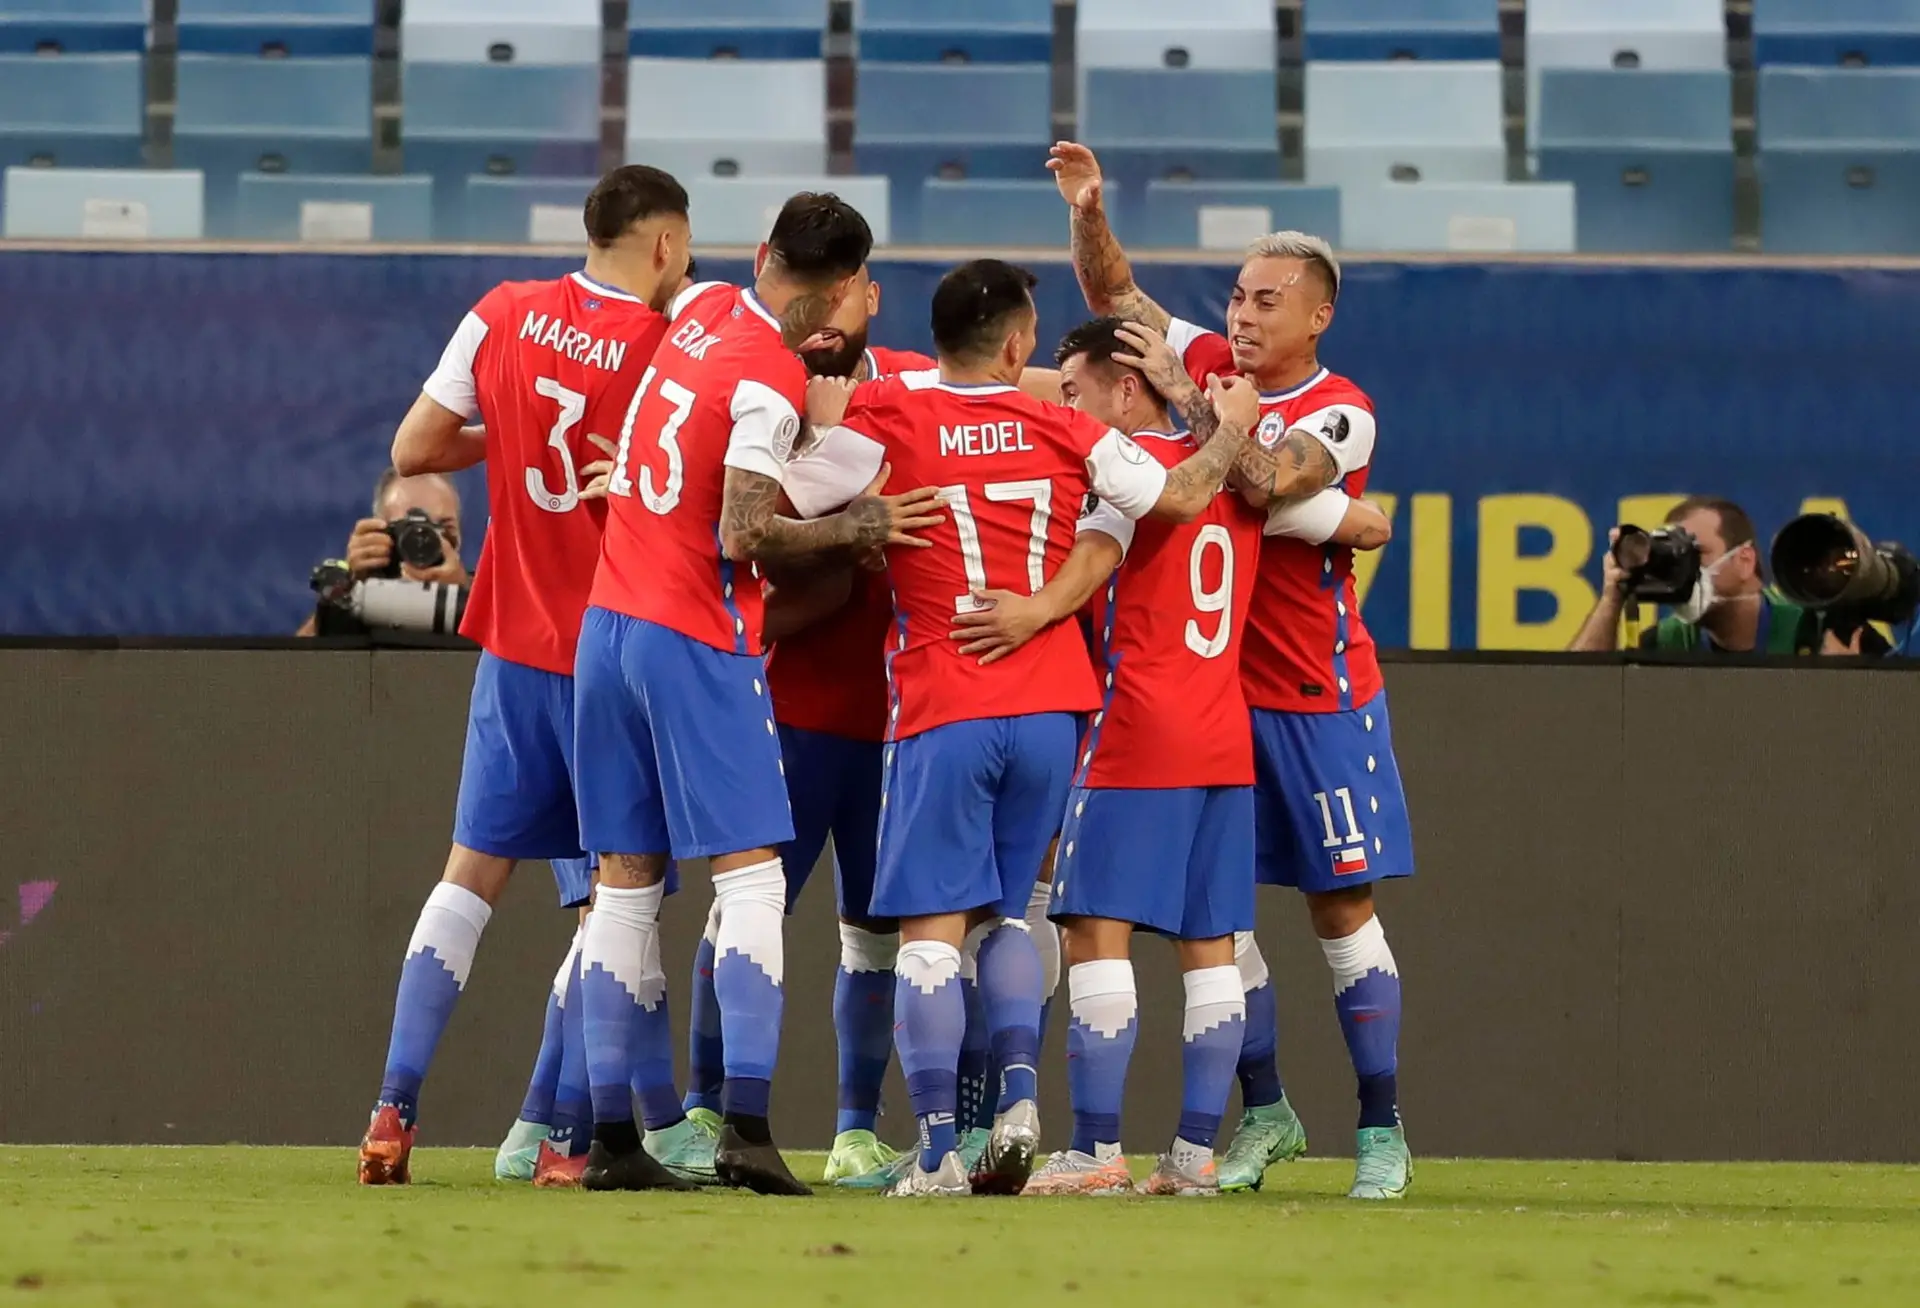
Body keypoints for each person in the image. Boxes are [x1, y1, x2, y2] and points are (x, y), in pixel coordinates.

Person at [780, 258, 1261, 1197]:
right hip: (1051, 710)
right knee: (1007, 914)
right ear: (1015, 344)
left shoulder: (889, 418)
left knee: (928, 931)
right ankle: (1017, 1105)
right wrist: (1230, 431)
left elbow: (789, 500)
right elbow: (1175, 496)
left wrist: (821, 428)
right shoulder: (1065, 424)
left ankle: (935, 1153)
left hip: (943, 701)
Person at [1052, 140, 1416, 1201]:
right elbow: (1116, 295)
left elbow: (1259, 481)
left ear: (1317, 317)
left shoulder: (1340, 410)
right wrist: (1088, 209)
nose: (1243, 317)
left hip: (1315, 692)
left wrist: (1198, 403)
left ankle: (1383, 1126)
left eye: (1267, 301)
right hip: (1215, 697)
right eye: (1237, 298)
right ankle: (1264, 1113)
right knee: (1219, 925)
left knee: (1339, 909)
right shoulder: (1214, 371)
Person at [573, 192, 943, 1195]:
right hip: (692, 632)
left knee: (625, 883)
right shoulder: (772, 376)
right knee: (752, 884)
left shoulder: (697, 315)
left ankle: (611, 1142)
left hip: (604, 626)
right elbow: (744, 530)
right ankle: (743, 1124)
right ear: (836, 297)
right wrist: (855, 524)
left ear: (761, 256)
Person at [356, 164, 693, 1188]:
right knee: (615, 903)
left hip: (511, 645)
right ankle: (562, 1142)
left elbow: (414, 446)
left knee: (468, 880)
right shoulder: (664, 350)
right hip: (611, 652)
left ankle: (391, 1112)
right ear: (665, 247)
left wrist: (506, 435)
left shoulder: (503, 312)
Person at [672, 265, 938, 1187]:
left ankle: (854, 1131)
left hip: (898, 725)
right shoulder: (762, 395)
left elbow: (1012, 383)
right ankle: (705, 1111)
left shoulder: (909, 386)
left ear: (869, 296)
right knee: (744, 916)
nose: (824, 323)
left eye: (843, 300)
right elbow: (744, 538)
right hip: (790, 716)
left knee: (874, 933)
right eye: (811, 303)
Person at [1567, 496, 1884, 656]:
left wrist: (1850, 689)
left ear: (1745, 561)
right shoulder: (1667, 644)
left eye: (1698, 554)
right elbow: (1575, 703)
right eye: (1673, 557)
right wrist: (1613, 596)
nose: (1684, 570)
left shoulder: (1822, 632)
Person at [296, 470, 469, 636]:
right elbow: (294, 661)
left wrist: (466, 598)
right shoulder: (357, 599)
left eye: (445, 529)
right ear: (379, 532)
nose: (424, 541)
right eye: (409, 528)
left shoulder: (485, 603)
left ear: (459, 535)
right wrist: (349, 587)